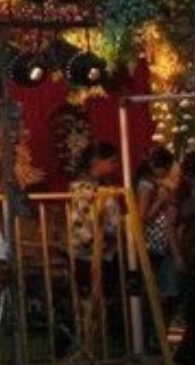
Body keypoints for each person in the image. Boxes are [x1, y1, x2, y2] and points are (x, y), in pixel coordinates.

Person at [70, 141, 123, 350]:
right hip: (91, 253)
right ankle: (91, 344)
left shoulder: (98, 188)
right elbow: (84, 224)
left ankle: (96, 343)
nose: (115, 166)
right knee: (91, 301)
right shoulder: (85, 190)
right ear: (96, 162)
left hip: (102, 251)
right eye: (111, 161)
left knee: (100, 301)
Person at [134, 145, 178, 343]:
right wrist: (160, 201)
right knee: (157, 291)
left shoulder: (159, 183)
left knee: (167, 290)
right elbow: (143, 216)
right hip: (154, 241)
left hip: (164, 240)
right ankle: (153, 335)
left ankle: (158, 334)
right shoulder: (147, 185)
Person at [171, 148, 195, 365]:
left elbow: (173, 230)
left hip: (191, 260)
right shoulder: (191, 200)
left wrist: (179, 258)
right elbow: (174, 229)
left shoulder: (184, 198)